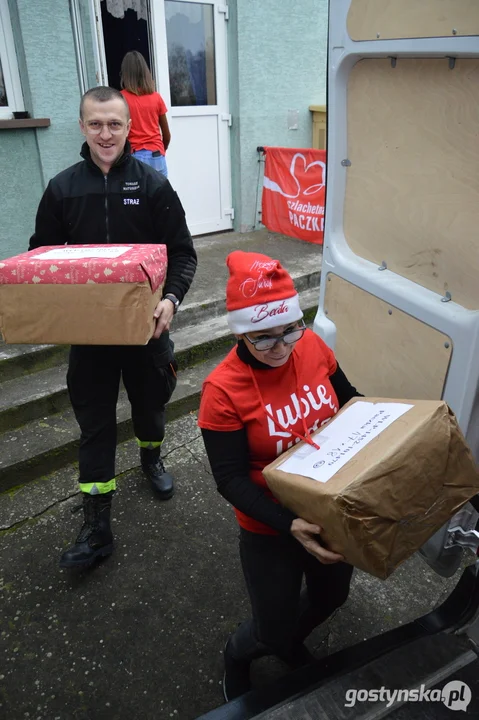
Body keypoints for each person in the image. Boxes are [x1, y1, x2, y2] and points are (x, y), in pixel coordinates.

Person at [29, 86, 197, 569]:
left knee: (150, 407)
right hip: (91, 339)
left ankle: (151, 457)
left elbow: (183, 254)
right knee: (95, 427)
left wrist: (170, 300)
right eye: (96, 124)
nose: (106, 134)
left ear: (129, 127)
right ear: (82, 127)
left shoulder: (153, 186)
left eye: (115, 124)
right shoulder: (62, 189)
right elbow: (44, 260)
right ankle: (97, 525)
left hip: (147, 332)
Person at [198, 251, 362, 700]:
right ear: (240, 333)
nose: (282, 347)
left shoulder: (311, 346)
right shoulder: (222, 391)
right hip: (269, 524)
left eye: (290, 329)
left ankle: (288, 641)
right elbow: (229, 479)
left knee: (332, 598)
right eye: (263, 339)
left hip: (328, 505)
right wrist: (289, 525)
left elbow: (351, 401)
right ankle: (240, 653)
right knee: (269, 628)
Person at [120, 51, 170, 178]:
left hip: (133, 155)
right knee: (161, 196)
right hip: (156, 155)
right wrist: (161, 150)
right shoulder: (156, 98)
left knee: (136, 197)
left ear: (125, 73)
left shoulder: (121, 99)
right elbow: (167, 135)